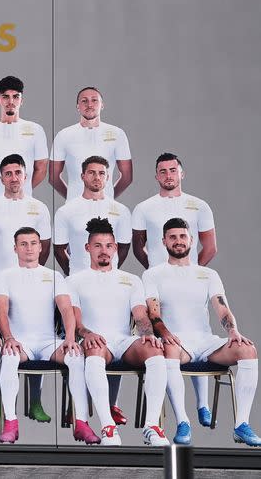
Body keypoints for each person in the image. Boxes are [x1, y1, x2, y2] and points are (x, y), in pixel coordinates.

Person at [145, 217, 260, 447]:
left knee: (248, 350)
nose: (178, 241)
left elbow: (221, 307)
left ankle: (241, 425)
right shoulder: (153, 274)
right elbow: (153, 313)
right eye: (173, 237)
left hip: (206, 343)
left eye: (183, 236)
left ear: (192, 240)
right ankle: (182, 421)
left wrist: (233, 331)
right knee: (168, 349)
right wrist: (165, 332)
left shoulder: (208, 274)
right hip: (177, 343)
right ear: (164, 241)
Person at [67, 218, 170, 446]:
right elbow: (77, 322)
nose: (103, 251)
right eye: (97, 246)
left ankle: (152, 426)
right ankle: (108, 427)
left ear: (115, 248)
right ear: (87, 248)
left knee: (155, 351)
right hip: (97, 340)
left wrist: (148, 333)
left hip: (123, 341)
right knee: (94, 351)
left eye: (108, 246)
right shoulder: (74, 281)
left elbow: (141, 315)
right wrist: (87, 333)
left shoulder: (131, 280)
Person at [0, 227, 100, 444]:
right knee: (9, 358)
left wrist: (70, 338)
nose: (29, 248)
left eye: (33, 243)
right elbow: (1, 311)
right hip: (20, 342)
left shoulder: (53, 276)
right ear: (15, 248)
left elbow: (66, 309)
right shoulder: (5, 276)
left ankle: (81, 423)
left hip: (47, 342)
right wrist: (9, 338)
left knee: (75, 356)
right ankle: (11, 423)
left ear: (41, 247)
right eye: (23, 244)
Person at [132, 153, 217, 422]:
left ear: (182, 173)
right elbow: (138, 246)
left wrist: (192, 273)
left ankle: (202, 405)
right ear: (156, 176)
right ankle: (177, 414)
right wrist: (156, 273)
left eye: (173, 170)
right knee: (166, 343)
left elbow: (210, 247)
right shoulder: (144, 208)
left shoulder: (199, 206)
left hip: (189, 280)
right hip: (157, 285)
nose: (168, 175)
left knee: (197, 333)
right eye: (163, 171)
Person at [0, 154, 51, 423]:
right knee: (0, 344)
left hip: (30, 284)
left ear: (26, 174)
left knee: (36, 337)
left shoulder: (39, 208)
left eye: (18, 172)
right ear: (1, 178)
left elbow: (44, 246)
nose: (14, 178)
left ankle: (35, 401)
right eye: (8, 174)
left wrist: (29, 272)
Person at [0, 76, 48, 203]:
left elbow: (41, 169)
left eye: (16, 96)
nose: (11, 101)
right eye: (5, 96)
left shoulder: (36, 131)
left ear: (21, 100)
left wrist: (20, 190)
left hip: (24, 203)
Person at [49, 87, 132, 202]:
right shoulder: (64, 135)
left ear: (102, 105)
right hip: (74, 207)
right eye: (84, 101)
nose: (89, 104)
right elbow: (53, 177)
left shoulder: (117, 134)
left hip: (106, 206)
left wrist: (108, 196)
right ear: (78, 106)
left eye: (94, 100)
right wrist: (72, 198)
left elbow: (127, 177)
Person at [54, 156, 131, 276]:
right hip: (76, 278)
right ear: (82, 176)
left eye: (101, 173)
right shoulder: (66, 211)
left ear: (108, 177)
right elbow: (59, 250)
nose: (97, 177)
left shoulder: (122, 211)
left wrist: (109, 268)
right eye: (91, 173)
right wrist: (74, 274)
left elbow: (124, 247)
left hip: (110, 278)